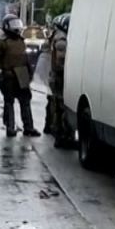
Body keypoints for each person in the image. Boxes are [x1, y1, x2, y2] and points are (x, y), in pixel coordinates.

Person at [0, 14, 39, 137]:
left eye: (17, 24)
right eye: (13, 25)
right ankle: (10, 127)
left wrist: (30, 74)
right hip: (9, 75)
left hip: (22, 74)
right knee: (9, 102)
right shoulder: (2, 42)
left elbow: (26, 59)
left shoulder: (21, 41)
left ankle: (29, 127)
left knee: (26, 102)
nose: (16, 28)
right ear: (6, 26)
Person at [44, 13, 71, 145]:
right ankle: (60, 135)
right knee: (60, 106)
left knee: (52, 102)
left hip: (54, 76)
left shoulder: (55, 36)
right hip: (59, 77)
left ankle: (49, 127)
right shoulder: (61, 40)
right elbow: (61, 61)